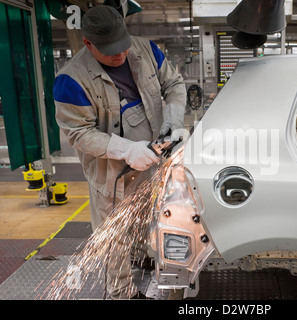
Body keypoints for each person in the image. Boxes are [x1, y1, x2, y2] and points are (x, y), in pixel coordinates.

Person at [53, 5, 186, 299]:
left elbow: (174, 84)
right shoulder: (70, 80)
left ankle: (140, 256)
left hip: (152, 160)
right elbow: (79, 133)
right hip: (112, 173)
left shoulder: (146, 50)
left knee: (143, 214)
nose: (120, 55)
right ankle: (120, 291)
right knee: (114, 234)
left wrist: (173, 122)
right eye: (110, 50)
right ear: (88, 43)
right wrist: (125, 150)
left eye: (123, 46)